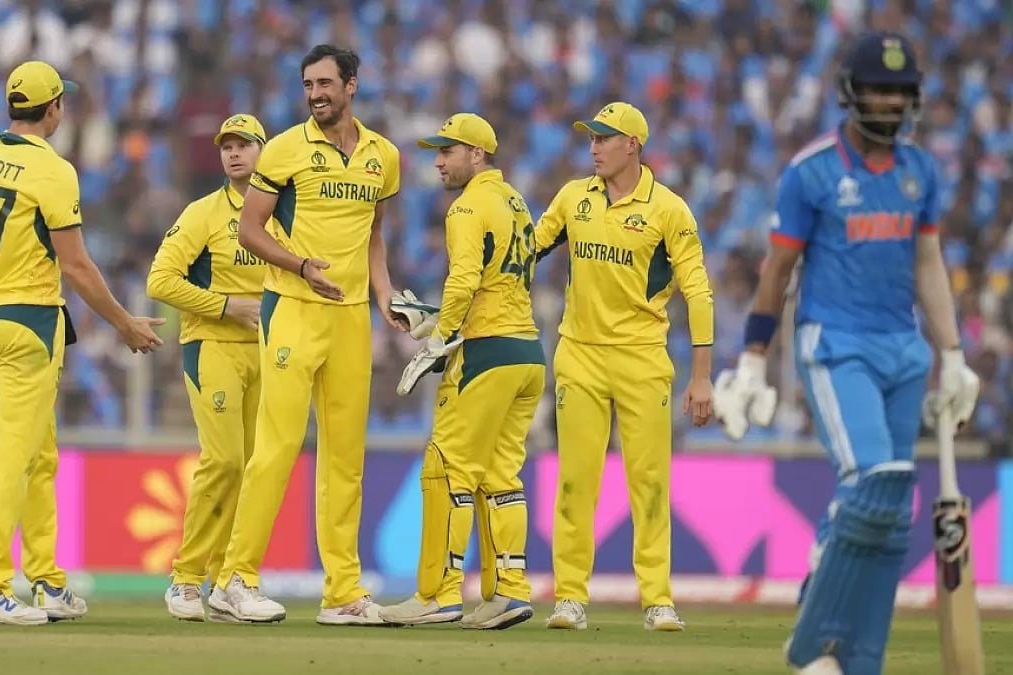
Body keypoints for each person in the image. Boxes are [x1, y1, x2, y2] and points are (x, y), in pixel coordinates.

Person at [712, 32, 980, 675]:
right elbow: (778, 270)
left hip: (903, 351)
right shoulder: (812, 171)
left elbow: (927, 262)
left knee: (895, 516)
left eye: (900, 91)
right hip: (835, 344)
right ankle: (813, 639)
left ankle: (859, 656)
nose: (889, 102)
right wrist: (752, 358)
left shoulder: (921, 172)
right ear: (851, 93)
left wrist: (953, 352)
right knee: (872, 482)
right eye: (878, 89)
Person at [0, 60, 164, 625]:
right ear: (54, 109)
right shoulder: (53, 171)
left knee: (38, 456)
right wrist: (124, 323)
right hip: (28, 327)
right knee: (14, 457)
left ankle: (46, 581)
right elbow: (77, 266)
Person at [208, 44, 406, 625]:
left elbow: (374, 234)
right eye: (307, 85)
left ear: (351, 85)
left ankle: (343, 591)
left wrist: (384, 292)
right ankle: (235, 580)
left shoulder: (384, 157)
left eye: (325, 83)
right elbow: (250, 229)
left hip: (350, 319)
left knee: (345, 458)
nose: (316, 94)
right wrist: (299, 267)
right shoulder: (288, 149)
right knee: (277, 448)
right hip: (292, 307)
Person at [533, 102, 715, 632]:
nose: (593, 148)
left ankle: (657, 599)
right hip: (580, 356)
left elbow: (698, 292)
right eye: (591, 139)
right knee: (575, 481)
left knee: (650, 482)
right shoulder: (573, 198)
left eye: (603, 139)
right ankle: (569, 598)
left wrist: (701, 374)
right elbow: (529, 251)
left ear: (632, 144)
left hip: (642, 360)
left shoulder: (669, 210)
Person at [377, 113, 542, 630]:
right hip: (527, 352)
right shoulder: (515, 201)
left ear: (477, 155)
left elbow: (466, 278)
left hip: (485, 354)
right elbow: (499, 281)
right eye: (437, 151)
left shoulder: (467, 205)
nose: (438, 162)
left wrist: (439, 341)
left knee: (445, 467)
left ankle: (437, 594)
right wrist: (431, 319)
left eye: (448, 151)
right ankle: (508, 591)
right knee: (499, 474)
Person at [146, 113, 269, 622]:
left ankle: (225, 584)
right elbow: (160, 280)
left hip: (264, 353)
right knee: (222, 461)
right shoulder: (203, 213)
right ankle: (185, 580)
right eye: (227, 146)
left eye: (244, 145)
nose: (234, 153)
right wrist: (224, 305)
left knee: (250, 468)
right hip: (212, 344)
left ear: (264, 151)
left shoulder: (283, 212)